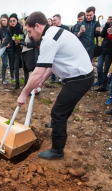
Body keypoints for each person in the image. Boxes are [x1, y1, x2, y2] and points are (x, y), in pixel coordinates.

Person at [17, 12, 94, 159]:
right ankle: (56, 124)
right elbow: (50, 64)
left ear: (37, 26)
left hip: (79, 78)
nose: (30, 35)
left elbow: (37, 72)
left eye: (29, 31)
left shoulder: (49, 39)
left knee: (58, 112)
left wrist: (24, 93)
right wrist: (41, 81)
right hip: (81, 75)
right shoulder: (55, 32)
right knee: (63, 107)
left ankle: (57, 150)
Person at [94, 5, 112, 96]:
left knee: (108, 68)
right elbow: (102, 34)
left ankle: (106, 85)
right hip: (104, 48)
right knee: (100, 66)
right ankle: (101, 82)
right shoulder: (111, 23)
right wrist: (107, 24)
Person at [0, 13, 24, 90]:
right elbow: (7, 38)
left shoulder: (21, 28)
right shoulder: (11, 29)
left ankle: (26, 84)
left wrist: (20, 41)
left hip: (23, 51)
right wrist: (1, 47)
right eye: (11, 21)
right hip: (16, 51)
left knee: (25, 68)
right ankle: (17, 84)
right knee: (15, 67)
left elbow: (24, 37)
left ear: (17, 20)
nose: (12, 22)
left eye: (14, 20)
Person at [20, 17, 40, 88]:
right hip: (25, 53)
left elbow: (34, 44)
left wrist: (24, 43)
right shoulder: (25, 32)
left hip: (30, 54)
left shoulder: (30, 32)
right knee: (25, 70)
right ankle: (26, 86)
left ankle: (35, 88)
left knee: (33, 71)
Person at [50, 14, 70, 84]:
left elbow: (68, 37)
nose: (54, 22)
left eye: (55, 20)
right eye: (53, 20)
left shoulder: (65, 28)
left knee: (63, 64)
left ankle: (62, 79)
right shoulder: (52, 29)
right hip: (55, 48)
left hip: (63, 48)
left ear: (59, 19)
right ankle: (53, 78)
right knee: (53, 62)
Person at [0, 14, 13, 85]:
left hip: (11, 48)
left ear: (7, 20)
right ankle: (3, 79)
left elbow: (13, 37)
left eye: (4, 20)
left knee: (12, 63)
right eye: (2, 20)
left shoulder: (11, 28)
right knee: (5, 63)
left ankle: (12, 77)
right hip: (3, 48)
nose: (3, 22)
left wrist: (10, 43)